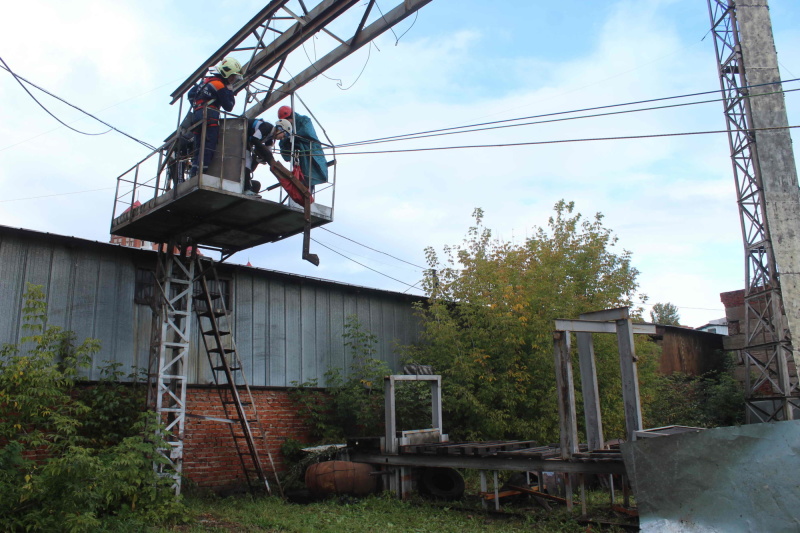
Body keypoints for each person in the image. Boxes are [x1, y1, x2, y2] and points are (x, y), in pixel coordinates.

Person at [187, 57, 242, 177]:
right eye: (233, 76)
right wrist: (230, 91)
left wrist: (198, 106)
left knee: (198, 148)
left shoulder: (206, 81)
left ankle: (193, 174)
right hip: (210, 117)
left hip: (197, 116)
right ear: (227, 73)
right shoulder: (219, 85)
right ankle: (201, 174)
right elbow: (229, 106)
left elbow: (191, 94)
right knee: (208, 147)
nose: (233, 80)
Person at [277, 105, 329, 189]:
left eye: (288, 120)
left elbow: (307, 134)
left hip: (310, 151)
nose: (288, 123)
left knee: (309, 175)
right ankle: (303, 194)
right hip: (298, 156)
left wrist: (291, 135)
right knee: (300, 177)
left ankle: (307, 196)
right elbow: (284, 147)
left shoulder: (304, 120)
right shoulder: (284, 127)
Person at [243, 118, 289, 196]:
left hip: (247, 139)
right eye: (284, 135)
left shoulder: (269, 138)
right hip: (244, 135)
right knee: (247, 160)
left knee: (250, 161)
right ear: (280, 129)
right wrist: (266, 155)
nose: (282, 138)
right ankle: (246, 188)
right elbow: (254, 139)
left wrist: (266, 159)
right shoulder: (267, 127)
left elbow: (268, 153)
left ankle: (247, 186)